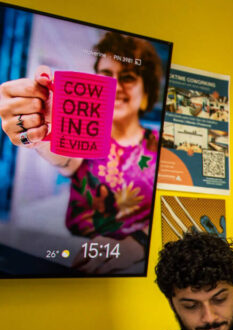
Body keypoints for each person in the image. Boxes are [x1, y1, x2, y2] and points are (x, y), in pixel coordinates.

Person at [0, 32, 163, 273]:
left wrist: (137, 244)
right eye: (107, 75)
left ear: (146, 92)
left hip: (140, 264)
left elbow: (168, 215)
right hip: (76, 259)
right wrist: (38, 133)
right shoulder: (85, 132)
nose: (115, 85)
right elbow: (66, 160)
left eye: (127, 77)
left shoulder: (161, 146)